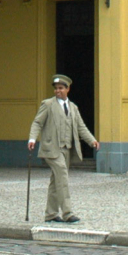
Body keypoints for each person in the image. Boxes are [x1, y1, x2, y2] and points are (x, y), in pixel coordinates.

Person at [28, 74, 97, 223]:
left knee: (56, 181)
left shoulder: (73, 107)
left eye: (61, 88)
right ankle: (68, 213)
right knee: (63, 177)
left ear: (68, 89)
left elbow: (81, 127)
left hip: (66, 149)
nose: (57, 91)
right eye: (56, 88)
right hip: (51, 149)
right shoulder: (47, 105)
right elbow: (37, 123)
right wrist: (32, 138)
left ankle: (51, 214)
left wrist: (92, 141)